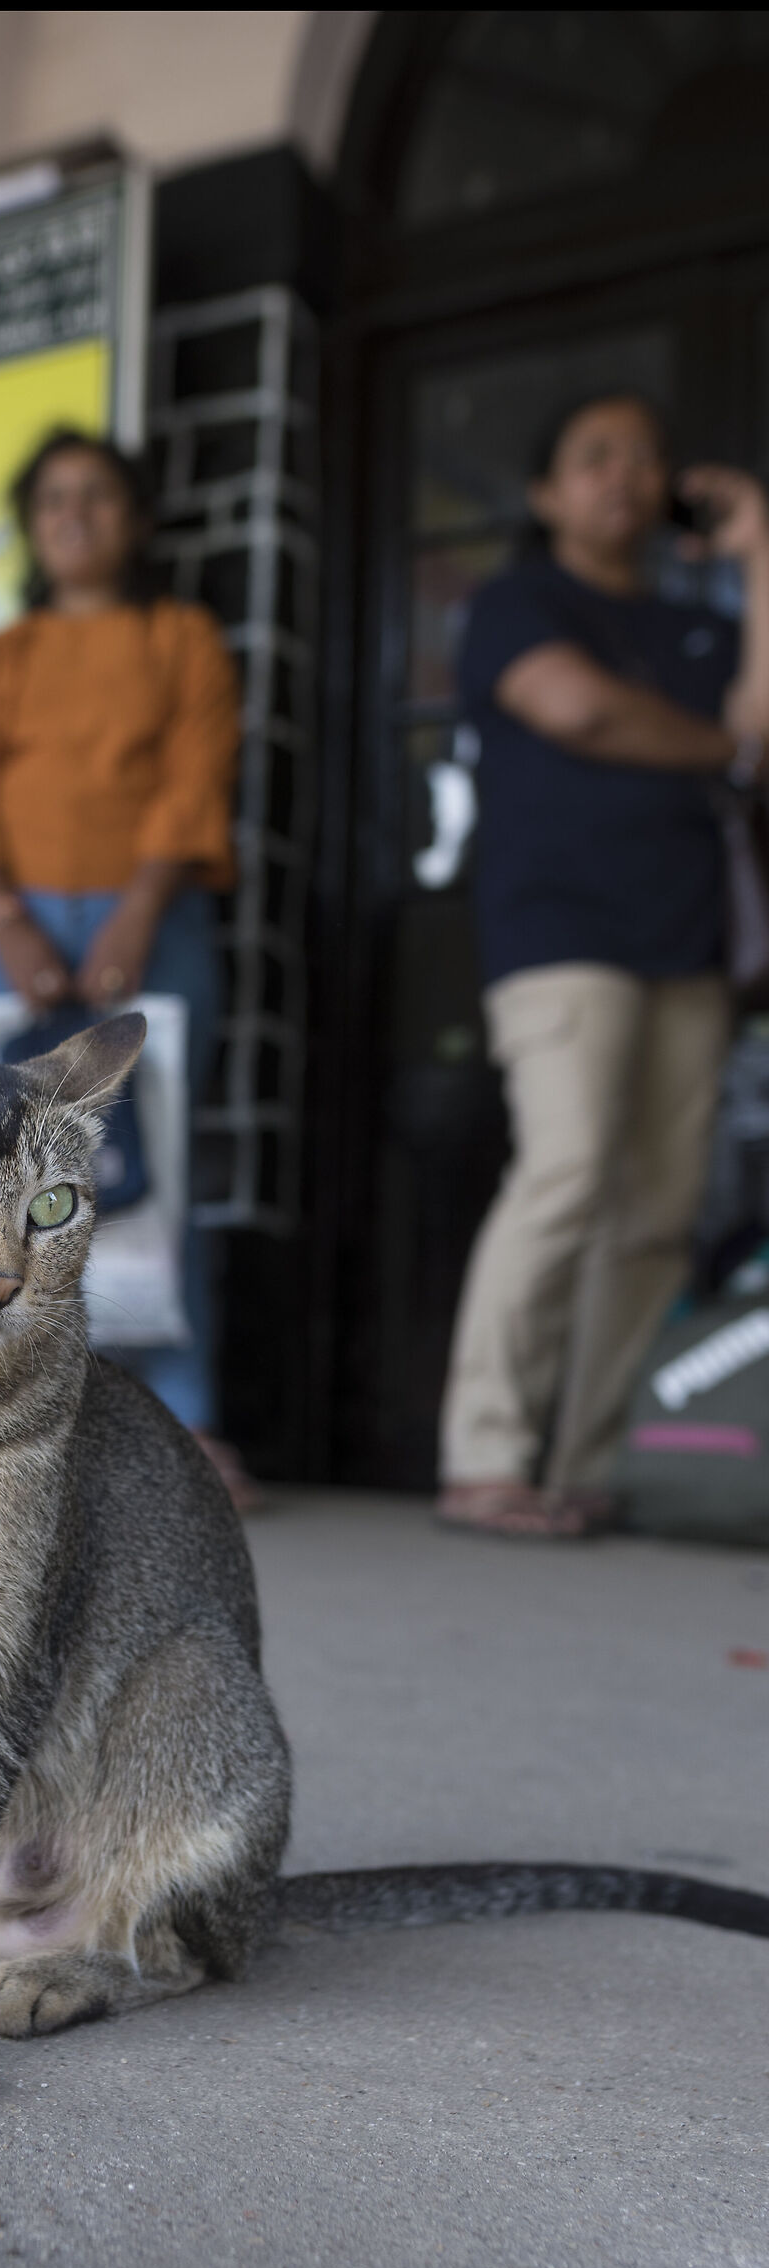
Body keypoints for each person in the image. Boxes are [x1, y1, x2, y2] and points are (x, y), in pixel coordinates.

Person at [437, 392, 769, 1539]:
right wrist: (715, 745)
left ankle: (583, 1462)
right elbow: (571, 706)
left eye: (643, 455)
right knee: (568, 1173)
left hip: (689, 942)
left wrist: (758, 549)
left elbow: (760, 726)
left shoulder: (700, 630)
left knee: (657, 1214)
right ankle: (483, 1455)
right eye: (594, 456)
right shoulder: (515, 601)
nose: (623, 473)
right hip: (558, 934)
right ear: (545, 495)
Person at [0, 427, 257, 1508]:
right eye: (54, 498)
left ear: (136, 520)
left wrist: (136, 912)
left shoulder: (181, 638)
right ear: (32, 526)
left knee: (149, 1168)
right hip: (3, 926)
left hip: (147, 920)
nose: (75, 514)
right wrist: (8, 920)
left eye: (99, 496)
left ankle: (188, 1420)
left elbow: (194, 776)